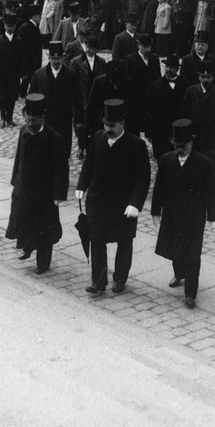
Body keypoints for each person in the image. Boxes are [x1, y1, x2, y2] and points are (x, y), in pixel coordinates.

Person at [75, 99, 151, 295]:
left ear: (122, 124)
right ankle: (99, 282)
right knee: (97, 240)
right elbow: (89, 165)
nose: (108, 129)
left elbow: (143, 178)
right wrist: (81, 186)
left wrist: (135, 203)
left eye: (112, 125)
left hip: (123, 205)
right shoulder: (98, 138)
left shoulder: (136, 145)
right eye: (106, 124)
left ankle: (120, 279)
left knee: (124, 242)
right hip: (98, 202)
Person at [151, 119, 215, 309]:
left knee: (192, 253)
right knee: (175, 248)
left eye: (182, 145)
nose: (179, 149)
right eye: (176, 146)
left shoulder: (203, 163)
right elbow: (159, 188)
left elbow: (211, 192)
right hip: (172, 214)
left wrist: (213, 216)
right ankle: (178, 273)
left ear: (191, 143)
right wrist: (156, 211)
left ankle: (190, 292)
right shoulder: (166, 160)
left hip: (194, 216)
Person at [5, 93, 70, 272]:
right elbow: (19, 157)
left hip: (44, 193)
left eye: (34, 120)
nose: (30, 124)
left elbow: (62, 170)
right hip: (24, 188)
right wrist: (15, 181)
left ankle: (43, 261)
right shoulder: (24, 131)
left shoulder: (54, 139)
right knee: (24, 222)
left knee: (44, 229)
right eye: (28, 120)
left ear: (43, 118)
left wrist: (59, 195)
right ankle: (27, 248)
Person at [180, 60, 215, 184]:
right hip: (195, 135)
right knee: (194, 164)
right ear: (199, 77)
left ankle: (210, 189)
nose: (205, 80)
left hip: (212, 136)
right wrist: (185, 134)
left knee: (211, 164)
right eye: (203, 77)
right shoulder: (191, 91)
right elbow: (184, 114)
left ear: (212, 78)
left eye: (208, 77)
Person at [29, 40, 81, 155]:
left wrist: (78, 120)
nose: (56, 61)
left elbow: (78, 100)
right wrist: (32, 118)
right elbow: (31, 97)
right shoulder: (39, 75)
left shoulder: (71, 75)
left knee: (63, 150)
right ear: (49, 58)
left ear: (63, 58)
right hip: (46, 120)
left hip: (64, 120)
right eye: (53, 58)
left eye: (58, 59)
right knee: (45, 151)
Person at [70, 34, 107, 159]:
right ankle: (81, 147)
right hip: (81, 99)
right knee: (80, 125)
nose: (89, 49)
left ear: (96, 49)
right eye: (88, 47)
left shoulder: (102, 62)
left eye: (92, 48)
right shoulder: (76, 62)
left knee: (95, 124)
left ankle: (92, 148)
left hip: (96, 99)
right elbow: (73, 81)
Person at [0, 11, 22, 128]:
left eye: (11, 26)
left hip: (14, 74)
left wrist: (23, 72)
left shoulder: (18, 41)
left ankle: (10, 118)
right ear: (4, 26)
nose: (9, 28)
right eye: (7, 26)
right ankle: (2, 117)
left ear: (15, 26)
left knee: (12, 96)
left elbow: (22, 58)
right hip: (1, 74)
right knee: (3, 96)